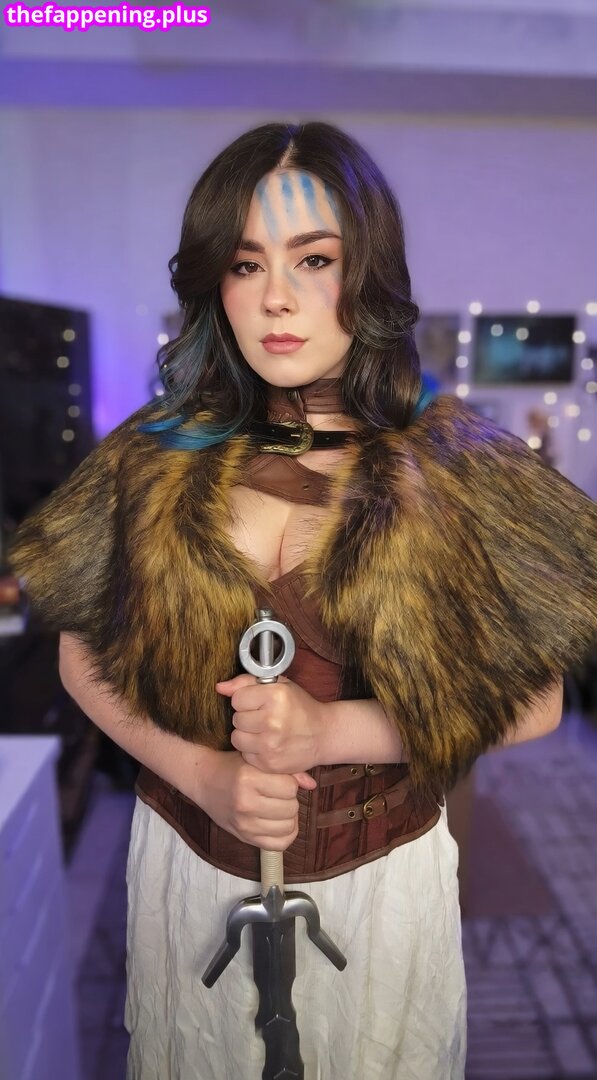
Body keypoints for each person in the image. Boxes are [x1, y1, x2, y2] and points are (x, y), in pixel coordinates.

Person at [9, 121, 597, 1080]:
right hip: (187, 867)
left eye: (314, 259)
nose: (275, 297)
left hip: (378, 883)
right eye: (245, 264)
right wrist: (203, 774)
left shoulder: (455, 471)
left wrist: (332, 732)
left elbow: (537, 703)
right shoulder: (151, 457)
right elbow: (81, 659)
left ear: (368, 272)